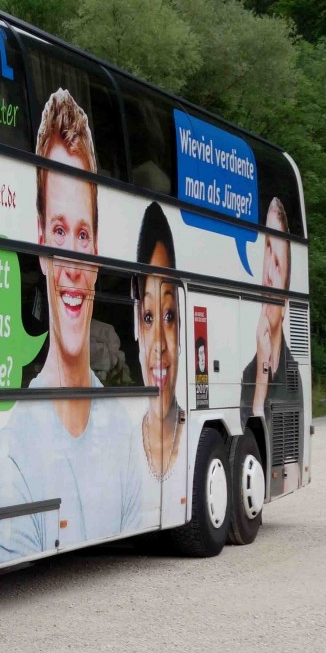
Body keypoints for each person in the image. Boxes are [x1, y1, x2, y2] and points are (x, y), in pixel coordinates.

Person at [0, 89, 144, 566]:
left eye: (82, 234)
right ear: (39, 243)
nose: (73, 264)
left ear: (97, 250)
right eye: (59, 232)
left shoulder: (121, 433)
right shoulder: (14, 449)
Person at [241, 197, 303, 419]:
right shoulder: (248, 372)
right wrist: (260, 373)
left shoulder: (293, 377)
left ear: (285, 302)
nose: (267, 273)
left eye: (277, 264)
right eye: (267, 250)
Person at [134, 201, 183, 481]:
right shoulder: (123, 443)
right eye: (149, 318)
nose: (159, 344)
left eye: (169, 316)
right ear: (137, 326)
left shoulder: (194, 435)